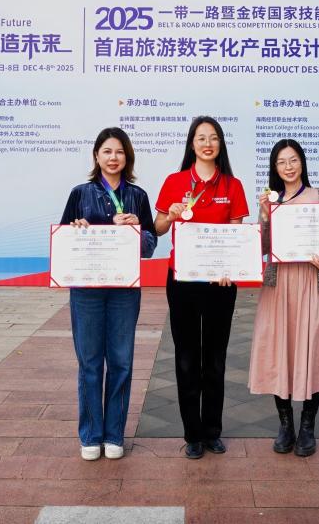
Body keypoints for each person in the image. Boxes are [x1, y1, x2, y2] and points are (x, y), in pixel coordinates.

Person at [60, 127, 157, 461]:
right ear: (96, 156)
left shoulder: (138, 196)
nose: (113, 158)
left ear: (127, 157)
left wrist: (135, 231)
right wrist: (77, 230)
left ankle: (114, 434)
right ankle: (90, 434)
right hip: (86, 291)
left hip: (123, 290)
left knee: (121, 362)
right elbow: (64, 240)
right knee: (89, 363)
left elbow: (149, 247)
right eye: (107, 151)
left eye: (119, 152)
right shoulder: (80, 194)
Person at [154, 116, 249, 459]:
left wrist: (229, 269)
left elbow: (237, 234)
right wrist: (171, 214)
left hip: (219, 283)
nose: (207, 144)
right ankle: (192, 433)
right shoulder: (175, 181)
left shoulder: (232, 185)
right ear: (191, 144)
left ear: (220, 144)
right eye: (201, 138)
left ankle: (212, 431)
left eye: (213, 138)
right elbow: (158, 228)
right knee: (186, 357)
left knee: (215, 358)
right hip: (182, 281)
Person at [249, 139, 319, 457]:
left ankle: (307, 427)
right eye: (281, 162)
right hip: (279, 287)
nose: (288, 167)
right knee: (280, 353)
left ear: (302, 162)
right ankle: (285, 425)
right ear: (274, 168)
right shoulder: (271, 202)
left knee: (312, 351)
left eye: (293, 160)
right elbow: (262, 248)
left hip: (311, 285)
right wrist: (265, 216)